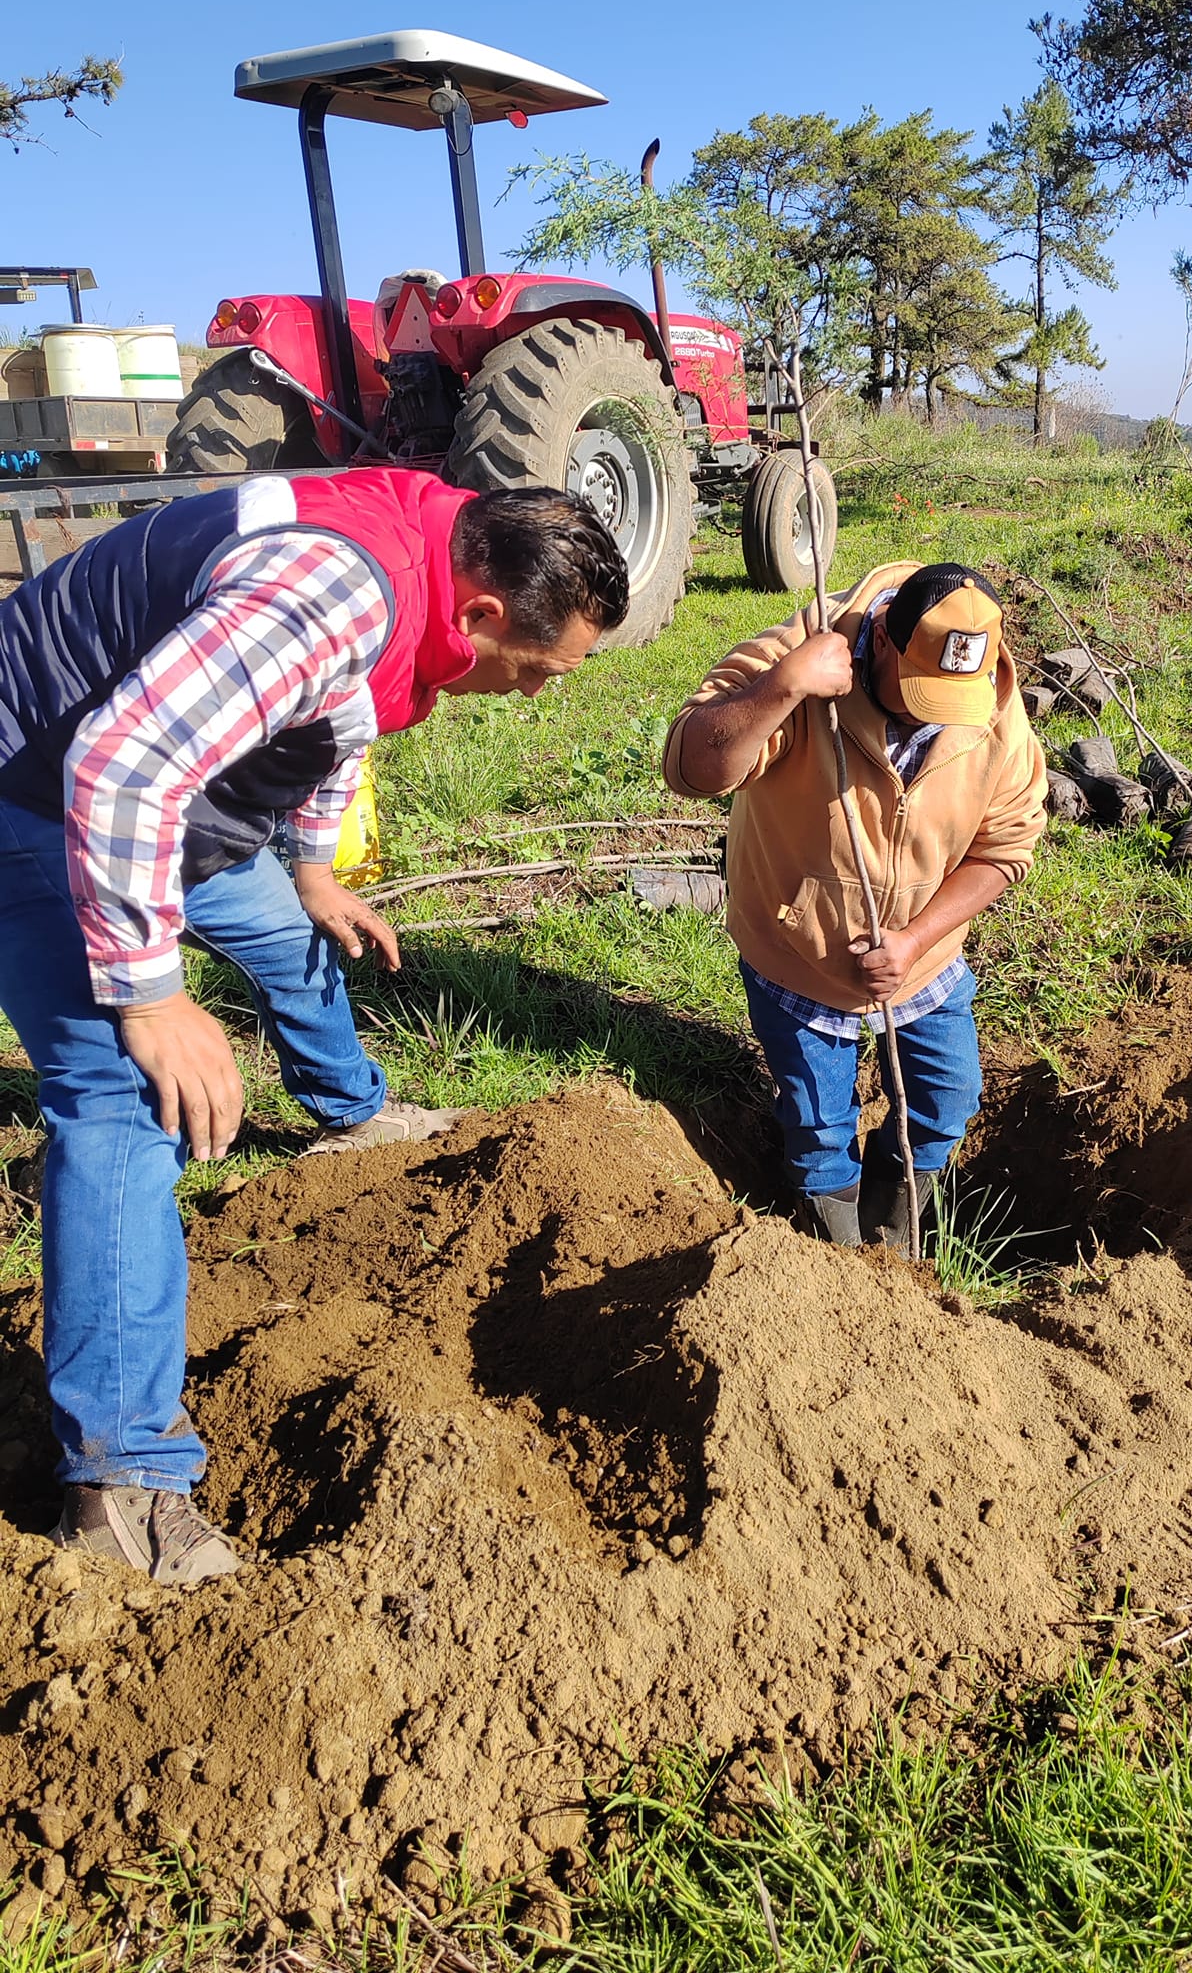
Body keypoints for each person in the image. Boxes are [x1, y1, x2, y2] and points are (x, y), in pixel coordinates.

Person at [0, 467, 627, 1584]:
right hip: (44, 783)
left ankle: (353, 1109)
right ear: (482, 612)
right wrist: (150, 998)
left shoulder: (432, 554)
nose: (540, 695)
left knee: (296, 933)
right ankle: (118, 1484)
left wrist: (313, 868)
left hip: (180, 795)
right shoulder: (334, 587)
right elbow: (120, 764)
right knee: (121, 1098)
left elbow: (342, 714)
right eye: (544, 671)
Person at [664, 560, 1047, 1249]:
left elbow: (1007, 847)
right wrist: (783, 687)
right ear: (884, 640)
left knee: (946, 1103)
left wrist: (915, 939)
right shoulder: (801, 652)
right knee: (818, 1130)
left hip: (923, 963)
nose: (940, 717)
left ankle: (896, 1238)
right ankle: (835, 1254)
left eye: (957, 699)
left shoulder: (990, 698)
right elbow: (692, 769)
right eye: (921, 693)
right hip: (798, 958)